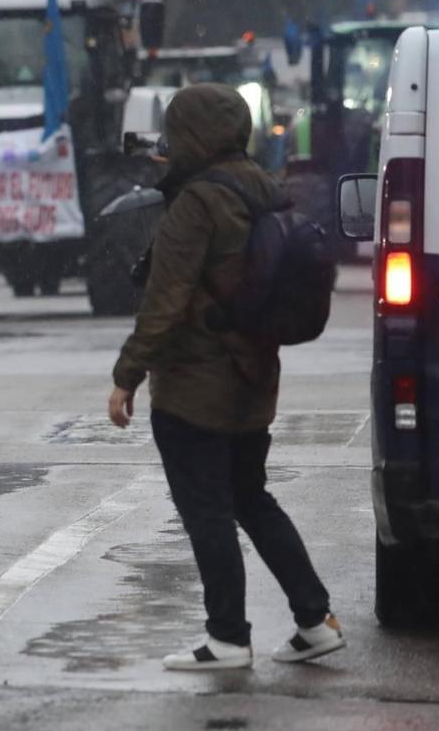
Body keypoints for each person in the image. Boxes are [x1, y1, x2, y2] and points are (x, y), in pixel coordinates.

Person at [107, 82, 343, 672]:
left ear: (191, 136)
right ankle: (315, 621)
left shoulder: (196, 203)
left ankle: (228, 638)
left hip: (195, 386)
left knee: (208, 511)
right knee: (250, 499)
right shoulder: (264, 188)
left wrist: (126, 376)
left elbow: (165, 301)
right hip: (254, 376)